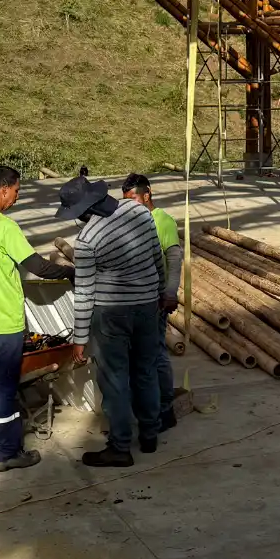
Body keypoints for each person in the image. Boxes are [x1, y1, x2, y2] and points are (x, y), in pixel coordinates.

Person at [0, 163, 72, 472]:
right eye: (17, 191)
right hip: (3, 327)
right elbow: (39, 267)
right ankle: (6, 454)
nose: (17, 198)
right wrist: (71, 272)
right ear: (4, 189)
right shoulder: (4, 227)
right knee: (4, 392)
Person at [58, 170, 169, 466]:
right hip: (147, 307)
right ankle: (149, 434)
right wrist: (159, 292)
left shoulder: (87, 239)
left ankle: (120, 447)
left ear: (85, 209)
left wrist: (80, 338)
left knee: (116, 378)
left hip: (111, 315)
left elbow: (84, 293)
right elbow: (156, 256)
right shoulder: (139, 211)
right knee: (145, 371)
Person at [121, 173, 182, 429]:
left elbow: (174, 259)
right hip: (138, 300)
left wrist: (169, 293)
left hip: (157, 299)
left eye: (133, 198)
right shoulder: (130, 221)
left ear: (147, 195)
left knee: (156, 353)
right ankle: (149, 405)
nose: (129, 205)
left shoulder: (163, 221)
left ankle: (165, 409)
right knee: (142, 356)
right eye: (125, 200)